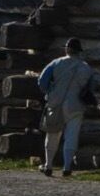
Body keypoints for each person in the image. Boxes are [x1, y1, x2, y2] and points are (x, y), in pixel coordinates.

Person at [37, 37, 96, 177]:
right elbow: (90, 90)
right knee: (72, 136)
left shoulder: (56, 63)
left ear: (66, 49)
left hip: (55, 103)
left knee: (52, 135)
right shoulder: (86, 68)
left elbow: (42, 82)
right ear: (79, 51)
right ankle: (67, 167)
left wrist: (50, 92)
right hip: (76, 105)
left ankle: (49, 165)